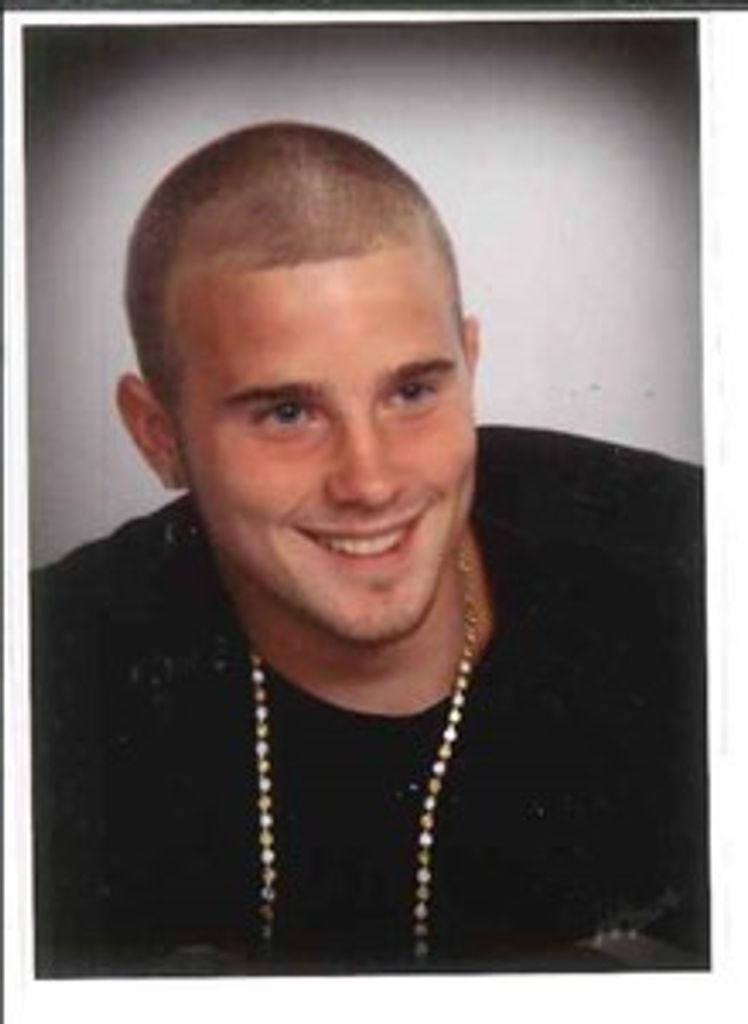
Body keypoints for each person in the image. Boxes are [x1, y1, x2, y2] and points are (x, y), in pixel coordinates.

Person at [32, 122, 708, 978]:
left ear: (469, 364)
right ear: (158, 434)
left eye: (413, 391)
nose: (371, 480)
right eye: (287, 413)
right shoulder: (48, 682)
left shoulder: (695, 572)